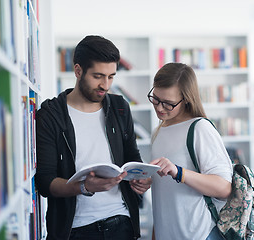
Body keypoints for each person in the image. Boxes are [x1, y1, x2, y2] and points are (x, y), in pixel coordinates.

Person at [35, 35, 151, 240]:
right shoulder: (51, 114)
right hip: (74, 230)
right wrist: (84, 187)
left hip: (121, 222)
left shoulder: (120, 107)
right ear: (78, 71)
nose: (105, 85)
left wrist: (141, 178)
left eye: (111, 76)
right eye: (98, 76)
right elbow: (45, 182)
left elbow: (132, 156)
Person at [148, 63, 233, 240]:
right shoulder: (160, 130)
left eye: (168, 103)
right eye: (155, 98)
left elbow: (224, 187)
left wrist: (179, 172)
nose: (159, 108)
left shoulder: (200, 128)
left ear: (186, 99)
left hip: (199, 235)